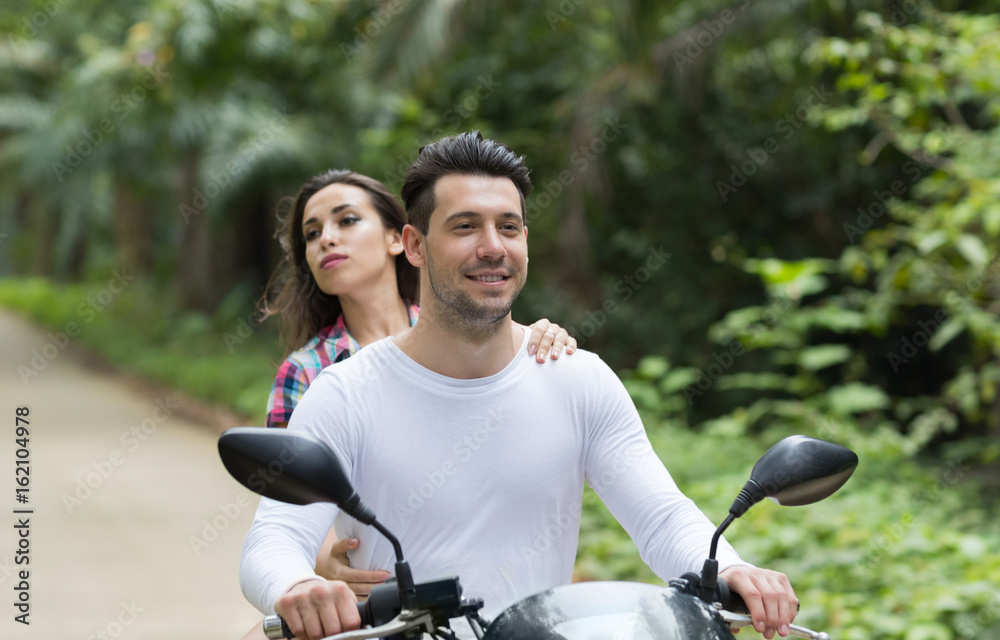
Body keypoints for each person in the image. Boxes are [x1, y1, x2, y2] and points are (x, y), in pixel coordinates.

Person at [240, 134, 799, 640]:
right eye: (464, 227)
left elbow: (661, 515)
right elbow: (274, 538)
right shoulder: (342, 393)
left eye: (508, 227)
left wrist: (728, 567)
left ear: (525, 240)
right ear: (414, 245)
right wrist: (295, 585)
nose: (493, 246)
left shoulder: (579, 378)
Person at [239, 168, 577, 640]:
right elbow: (289, 507)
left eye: (347, 221)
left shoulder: (466, 326)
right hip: (376, 600)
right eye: (312, 234)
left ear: (402, 241)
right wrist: (319, 570)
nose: (326, 241)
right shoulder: (310, 374)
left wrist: (543, 344)